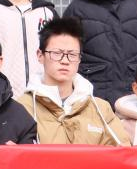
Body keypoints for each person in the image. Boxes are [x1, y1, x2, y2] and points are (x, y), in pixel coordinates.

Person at [16, 17, 130, 146]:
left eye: (72, 54)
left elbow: (122, 151)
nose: (65, 61)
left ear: (80, 58)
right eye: (57, 53)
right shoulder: (22, 108)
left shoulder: (101, 109)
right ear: (40, 55)